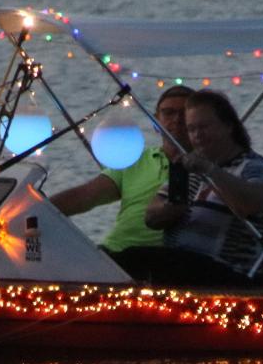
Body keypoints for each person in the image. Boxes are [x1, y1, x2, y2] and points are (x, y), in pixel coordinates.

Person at [115, 89, 263, 286]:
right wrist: (170, 208)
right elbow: (151, 217)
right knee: (115, 257)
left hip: (228, 271)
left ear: (228, 126)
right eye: (192, 129)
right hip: (182, 263)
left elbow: (253, 203)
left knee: (133, 258)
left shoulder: (253, 166)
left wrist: (211, 171)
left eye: (204, 127)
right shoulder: (191, 167)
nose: (197, 135)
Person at [47, 86, 192, 255]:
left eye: (185, 113)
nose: (177, 119)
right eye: (169, 113)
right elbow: (86, 196)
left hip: (163, 260)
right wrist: (35, 210)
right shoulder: (134, 159)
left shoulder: (210, 166)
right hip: (113, 252)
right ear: (156, 122)